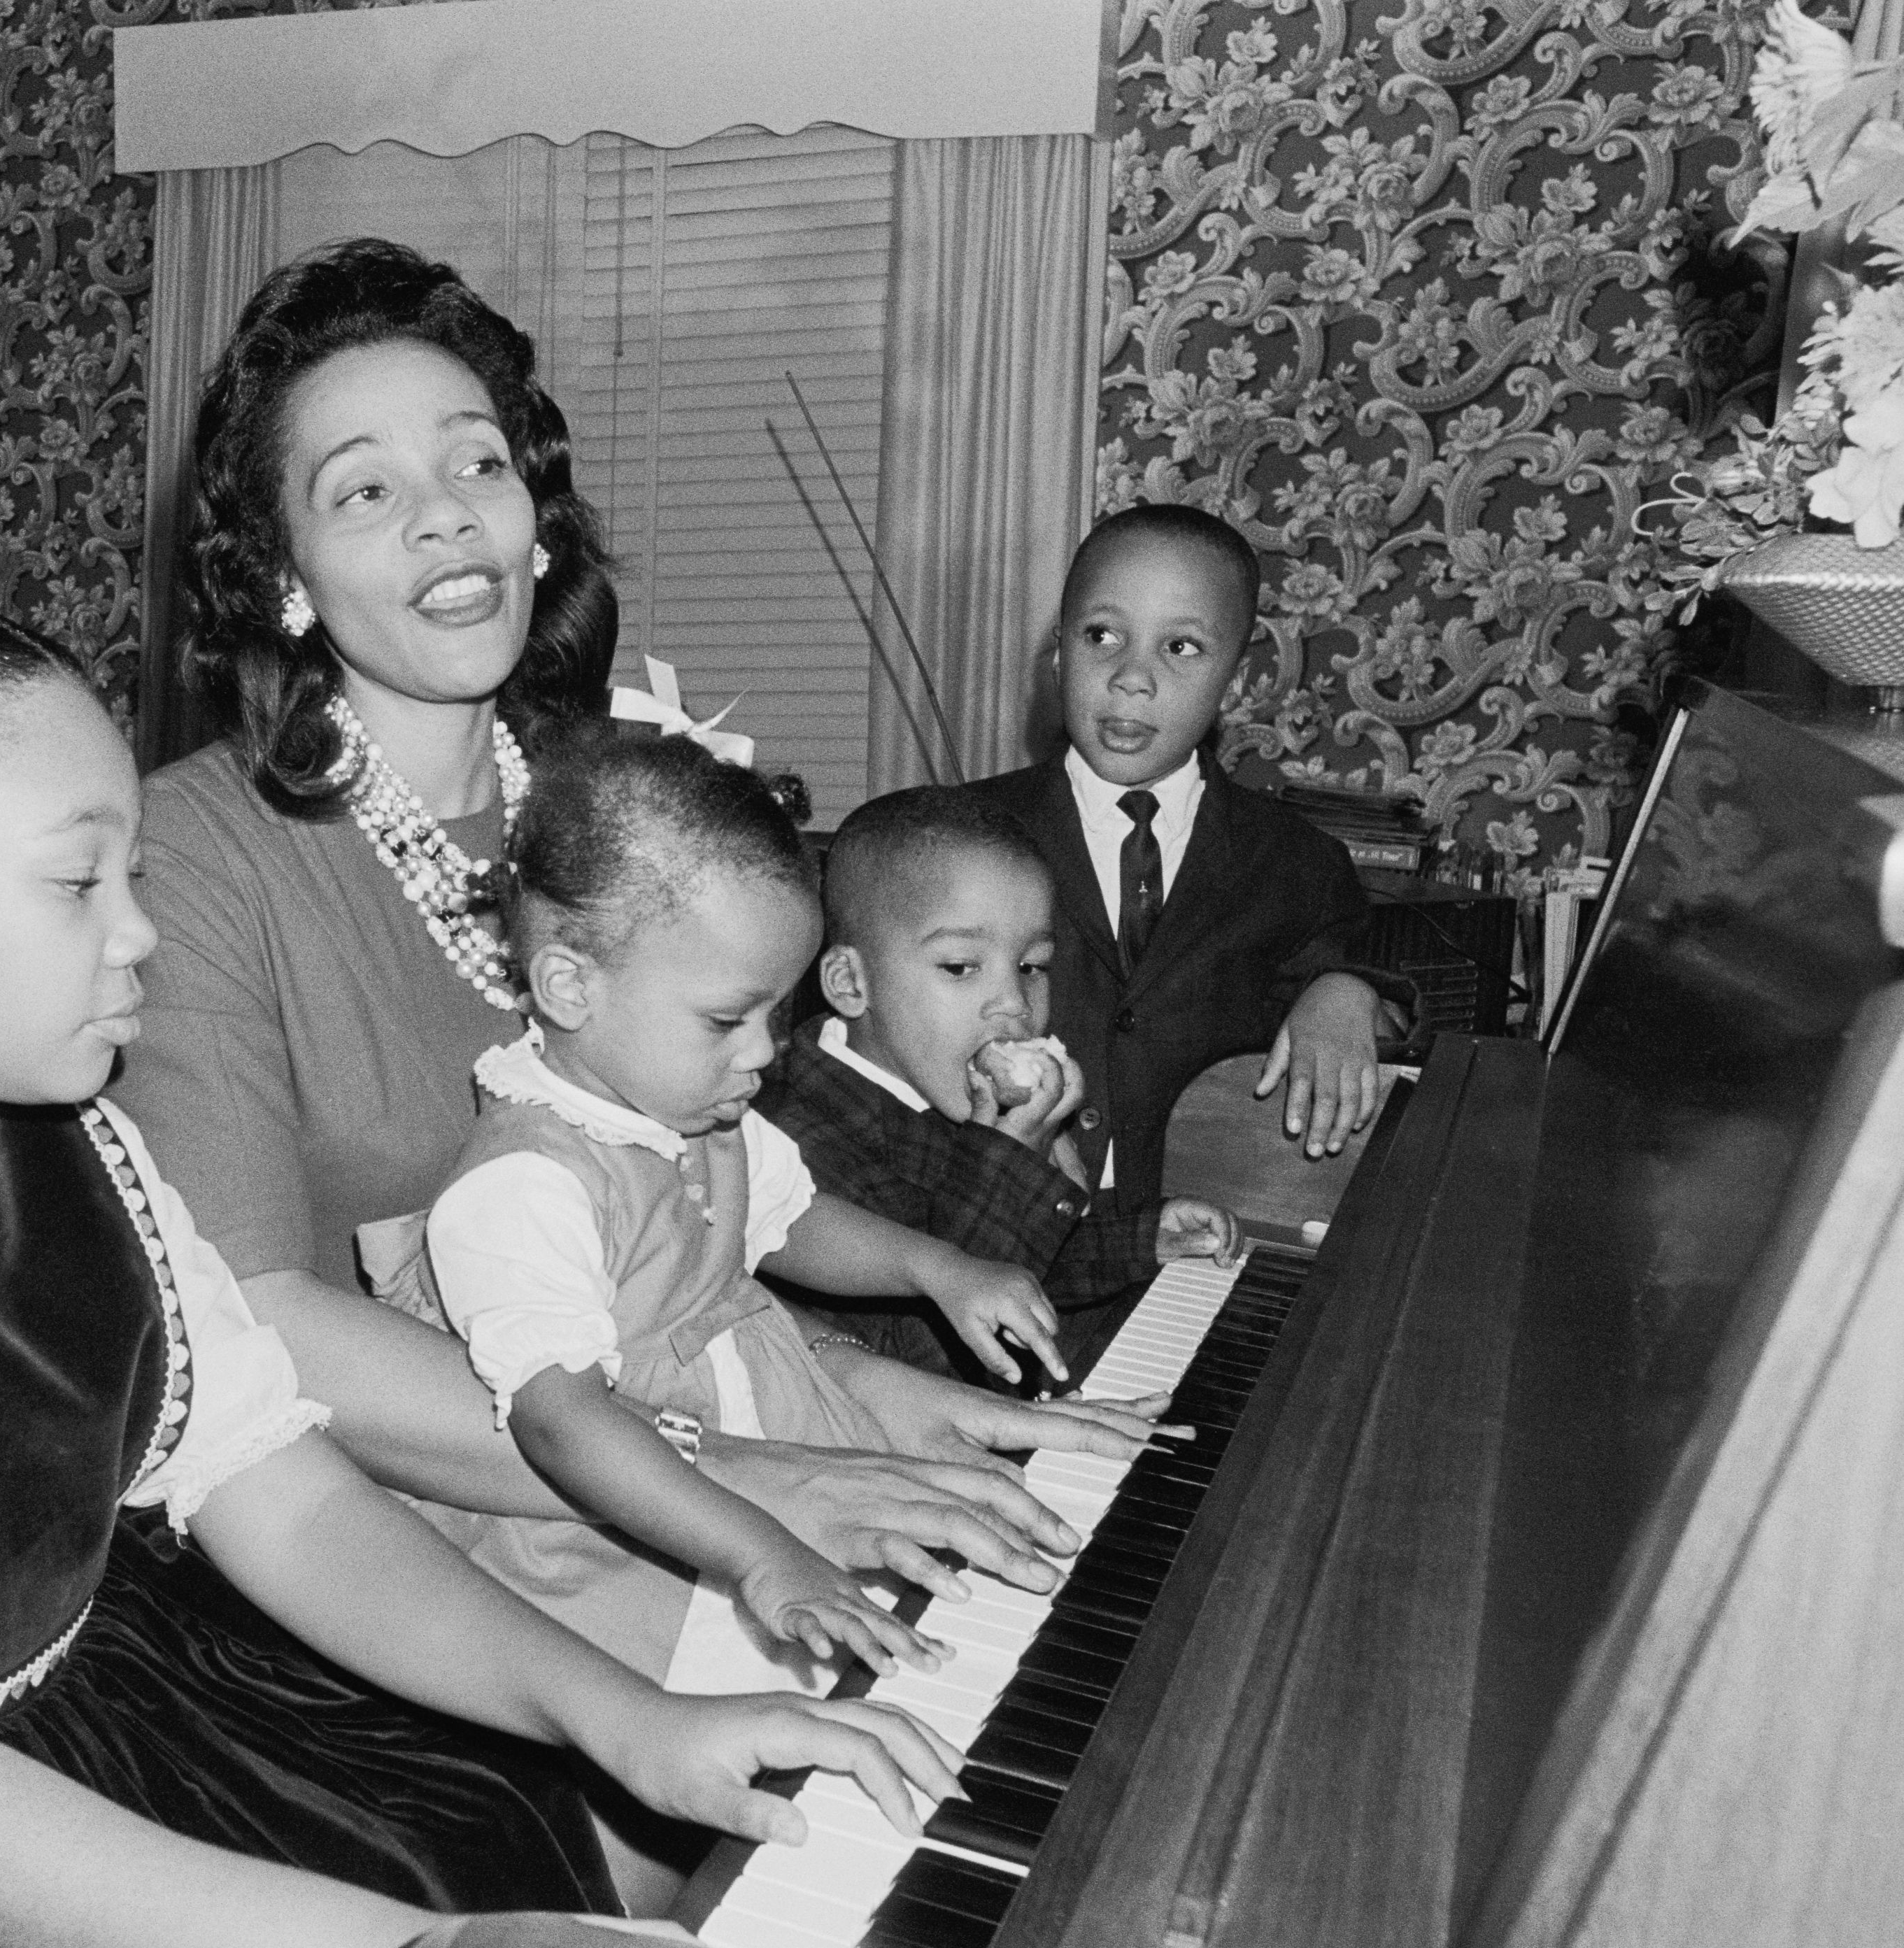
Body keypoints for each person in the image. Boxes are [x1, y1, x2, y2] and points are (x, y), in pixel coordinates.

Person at [0, 597, 953, 1948]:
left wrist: (624, 1720)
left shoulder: (83, 1146)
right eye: (77, 883)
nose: (140, 932)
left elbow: (287, 1499)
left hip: (93, 1711)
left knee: (484, 1839)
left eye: (133, 868)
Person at [112, 239, 1174, 1630]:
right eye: (365, 489)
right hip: (377, 1563)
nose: (445, 515)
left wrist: (863, 1398)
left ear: (532, 521)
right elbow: (257, 1319)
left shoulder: (622, 805)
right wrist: (736, 1481)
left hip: (684, 1480)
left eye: (477, 464)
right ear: (284, 576)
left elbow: (693, 1239)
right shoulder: (189, 850)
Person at [372, 731, 1094, 1707]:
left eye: (776, 1012)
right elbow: (562, 1428)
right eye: (727, 1019)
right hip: (640, 1533)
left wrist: (937, 1269)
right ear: (569, 987)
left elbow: (793, 1220)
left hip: (765, 1450)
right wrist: (760, 1554)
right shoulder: (524, 1186)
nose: (766, 1052)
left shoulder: (699, 1108)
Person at [967, 504, 1412, 1221]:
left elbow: (1381, 1005)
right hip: (994, 1230)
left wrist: (1345, 990)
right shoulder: (966, 833)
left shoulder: (1298, 861)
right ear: (1056, 655)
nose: (1130, 677)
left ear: (1233, 684)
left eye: (1180, 648)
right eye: (1101, 635)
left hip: (1191, 1238)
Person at [758, 785, 1242, 1382]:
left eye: (1032, 966)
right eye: (961, 967)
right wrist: (1010, 1159)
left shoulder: (935, 1083)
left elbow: (1028, 1258)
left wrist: (1138, 1240)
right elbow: (925, 1358)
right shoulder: (789, 1139)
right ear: (851, 984)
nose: (1014, 1005)